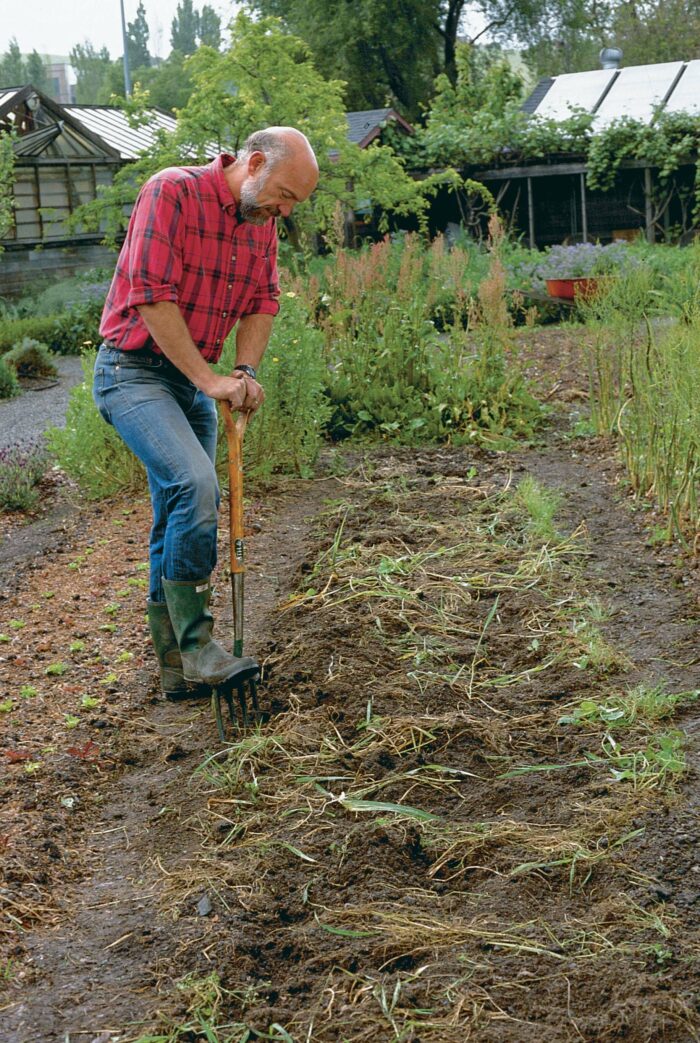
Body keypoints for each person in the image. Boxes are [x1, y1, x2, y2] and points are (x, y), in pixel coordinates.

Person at [93, 127, 319, 699]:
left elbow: (263, 300)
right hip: (132, 373)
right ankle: (196, 645)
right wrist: (209, 378)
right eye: (285, 195)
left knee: (176, 510)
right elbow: (150, 294)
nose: (285, 211)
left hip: (194, 383)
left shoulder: (260, 224)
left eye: (294, 203)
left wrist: (242, 372)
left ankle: (175, 669)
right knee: (195, 486)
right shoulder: (171, 192)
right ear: (256, 163)